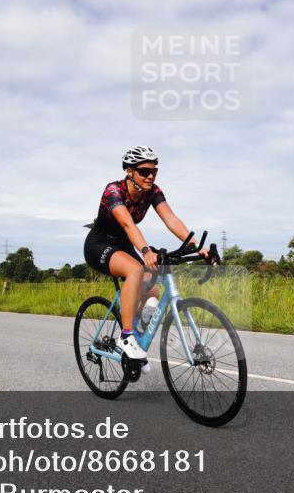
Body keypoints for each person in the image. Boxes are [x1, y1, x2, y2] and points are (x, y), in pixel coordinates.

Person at [83, 146, 208, 364]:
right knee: (136, 270)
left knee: (153, 291)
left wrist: (197, 246)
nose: (150, 176)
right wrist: (145, 250)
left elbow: (171, 220)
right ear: (129, 172)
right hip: (99, 245)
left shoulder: (153, 192)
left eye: (154, 171)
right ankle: (126, 337)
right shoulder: (114, 191)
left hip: (123, 245)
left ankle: (136, 341)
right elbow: (127, 224)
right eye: (144, 171)